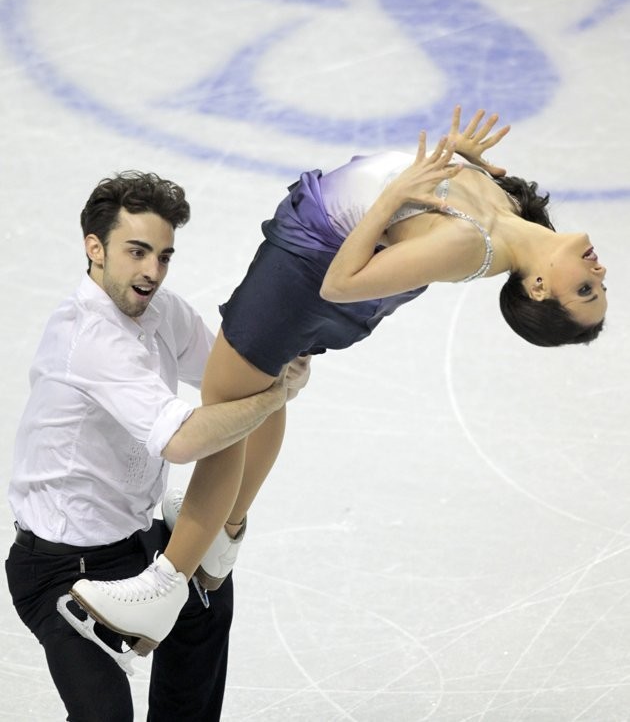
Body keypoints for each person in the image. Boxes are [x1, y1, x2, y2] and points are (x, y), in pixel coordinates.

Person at [67, 106, 608, 657]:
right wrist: (459, 161)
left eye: (585, 291)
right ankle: (222, 535)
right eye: (598, 287)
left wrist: (395, 196)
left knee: (227, 403)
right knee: (255, 390)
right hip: (326, 245)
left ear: (539, 288)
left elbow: (342, 284)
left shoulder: (471, 246)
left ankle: (165, 587)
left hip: (313, 261)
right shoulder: (508, 209)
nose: (599, 273)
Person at [5, 170, 308, 722]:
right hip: (58, 570)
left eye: (164, 256)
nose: (152, 272)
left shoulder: (163, 311)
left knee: (207, 606)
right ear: (94, 249)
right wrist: (272, 397)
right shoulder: (87, 336)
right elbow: (186, 439)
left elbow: (233, 381)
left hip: (136, 542)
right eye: (137, 252)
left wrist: (279, 362)